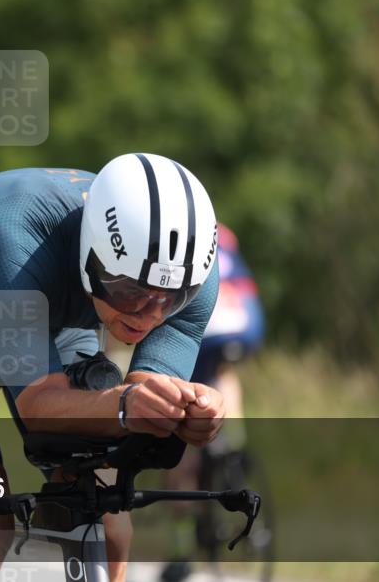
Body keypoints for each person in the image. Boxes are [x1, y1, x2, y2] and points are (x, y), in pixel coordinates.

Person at [0, 153, 226, 582]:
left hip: (54, 323)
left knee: (107, 525)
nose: (147, 316)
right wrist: (125, 404)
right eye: (129, 292)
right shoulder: (14, 224)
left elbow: (147, 394)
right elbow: (40, 403)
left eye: (169, 299)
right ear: (91, 254)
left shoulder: (193, 272)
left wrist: (191, 409)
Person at [159, 222, 266, 582]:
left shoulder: (167, 237)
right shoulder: (225, 234)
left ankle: (182, 551)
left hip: (204, 322)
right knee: (224, 371)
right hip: (244, 320)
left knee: (178, 416)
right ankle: (234, 446)